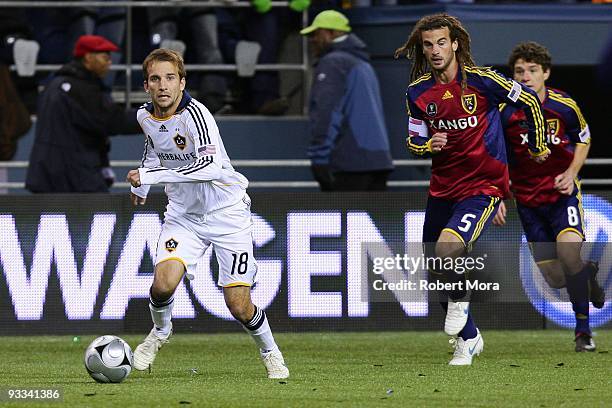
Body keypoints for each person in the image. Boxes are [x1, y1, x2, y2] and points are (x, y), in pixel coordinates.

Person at [395, 13, 549, 365]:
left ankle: (462, 303)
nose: (435, 51)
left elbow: (528, 102)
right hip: (442, 189)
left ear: (455, 44)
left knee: (449, 247)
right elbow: (413, 141)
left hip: (484, 187)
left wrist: (538, 146)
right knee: (436, 267)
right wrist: (426, 146)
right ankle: (470, 338)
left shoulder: (483, 82)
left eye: (441, 43)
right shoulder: (418, 93)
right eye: (428, 45)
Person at [127, 48, 289, 379]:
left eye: (170, 78)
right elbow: (154, 151)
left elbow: (209, 166)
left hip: (227, 214)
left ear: (182, 82)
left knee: (238, 305)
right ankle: (160, 332)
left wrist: (151, 178)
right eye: (156, 79)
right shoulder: (145, 116)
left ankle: (270, 351)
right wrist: (142, 184)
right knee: (162, 285)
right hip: (184, 216)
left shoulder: (196, 115)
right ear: (146, 85)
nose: (163, 86)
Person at [493, 41, 605, 352]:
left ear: (546, 73)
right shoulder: (505, 113)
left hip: (561, 196)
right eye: (519, 71)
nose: (525, 76)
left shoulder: (563, 105)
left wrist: (571, 173)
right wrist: (500, 194)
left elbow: (583, 138)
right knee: (556, 278)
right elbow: (496, 155)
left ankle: (583, 333)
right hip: (527, 203)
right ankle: (589, 273)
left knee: (569, 255)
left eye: (532, 70)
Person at [26, 35, 140, 193]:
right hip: (73, 177)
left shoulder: (55, 83)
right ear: (88, 57)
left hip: (50, 175)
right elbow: (112, 120)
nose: (109, 63)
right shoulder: (80, 88)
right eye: (104, 57)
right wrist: (152, 118)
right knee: (96, 215)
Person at [300, 10, 393, 191]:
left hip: (349, 163)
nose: (312, 40)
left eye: (316, 33)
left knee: (344, 219)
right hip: (378, 161)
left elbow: (325, 112)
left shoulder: (333, 63)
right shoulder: (363, 62)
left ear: (332, 33)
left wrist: (319, 158)